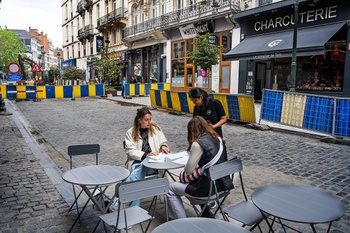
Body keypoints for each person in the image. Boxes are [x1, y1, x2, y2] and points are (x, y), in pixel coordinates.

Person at [166, 116, 232, 219]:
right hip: (223, 186)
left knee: (170, 188)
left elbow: (188, 171)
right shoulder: (217, 138)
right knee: (194, 179)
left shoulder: (198, 144)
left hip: (208, 191)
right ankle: (206, 213)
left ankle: (180, 222)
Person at [110, 107, 170, 210]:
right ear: (139, 120)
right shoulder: (131, 132)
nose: (149, 122)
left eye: (150, 119)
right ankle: (133, 207)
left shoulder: (156, 128)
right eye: (146, 120)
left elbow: (163, 142)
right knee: (141, 167)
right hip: (138, 162)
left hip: (155, 163)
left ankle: (121, 196)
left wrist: (163, 147)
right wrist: (146, 155)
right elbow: (130, 151)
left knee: (142, 169)